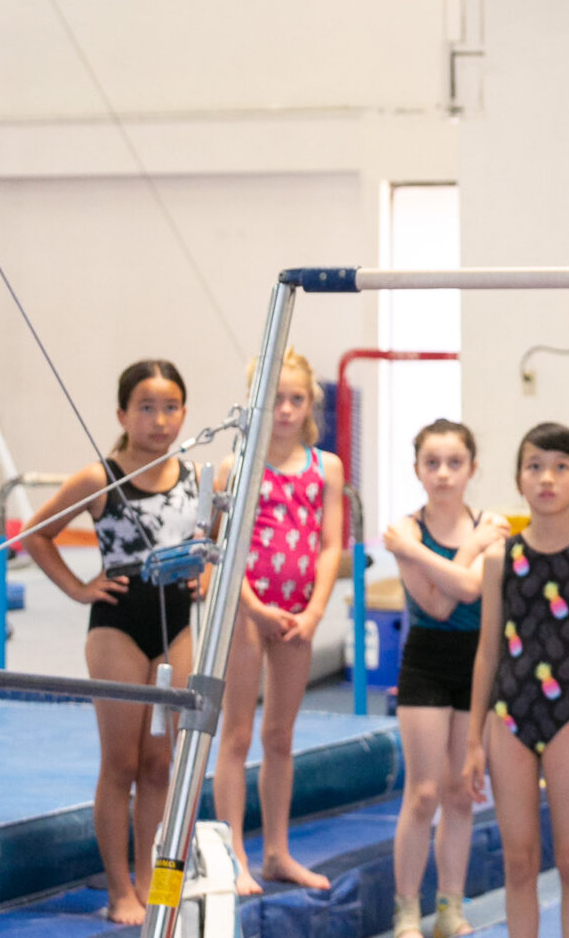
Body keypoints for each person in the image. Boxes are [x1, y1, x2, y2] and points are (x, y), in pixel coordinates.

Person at [22, 359, 200, 926]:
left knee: (160, 764)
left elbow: (211, 543)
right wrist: (79, 588)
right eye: (146, 408)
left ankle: (150, 882)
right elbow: (35, 535)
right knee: (120, 763)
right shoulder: (100, 479)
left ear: (184, 413)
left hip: (177, 627)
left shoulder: (195, 476)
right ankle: (120, 890)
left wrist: (205, 575)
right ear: (122, 415)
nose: (159, 420)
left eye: (170, 407)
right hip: (117, 628)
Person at [465, 422, 569, 938]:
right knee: (519, 861)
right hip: (507, 718)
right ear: (518, 480)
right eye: (534, 467)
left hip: (568, 718)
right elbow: (488, 651)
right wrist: (472, 739)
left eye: (561, 467)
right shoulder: (501, 558)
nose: (547, 479)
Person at [213, 349, 343, 896]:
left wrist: (315, 611)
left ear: (311, 403)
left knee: (281, 737)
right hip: (246, 609)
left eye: (296, 399)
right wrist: (254, 606)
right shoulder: (236, 467)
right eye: (275, 398)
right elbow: (224, 547)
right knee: (238, 734)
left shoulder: (325, 467)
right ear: (255, 401)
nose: (286, 409)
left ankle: (276, 852)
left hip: (296, 615)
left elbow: (331, 544)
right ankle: (235, 855)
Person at [383, 419, 509, 938]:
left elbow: (472, 590)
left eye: (454, 463)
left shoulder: (490, 524)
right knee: (423, 794)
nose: (442, 473)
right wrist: (462, 551)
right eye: (431, 463)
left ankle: (449, 909)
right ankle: (406, 910)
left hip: (478, 663)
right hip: (426, 663)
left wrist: (422, 554)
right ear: (416, 470)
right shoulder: (408, 529)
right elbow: (436, 605)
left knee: (460, 793)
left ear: (472, 469)